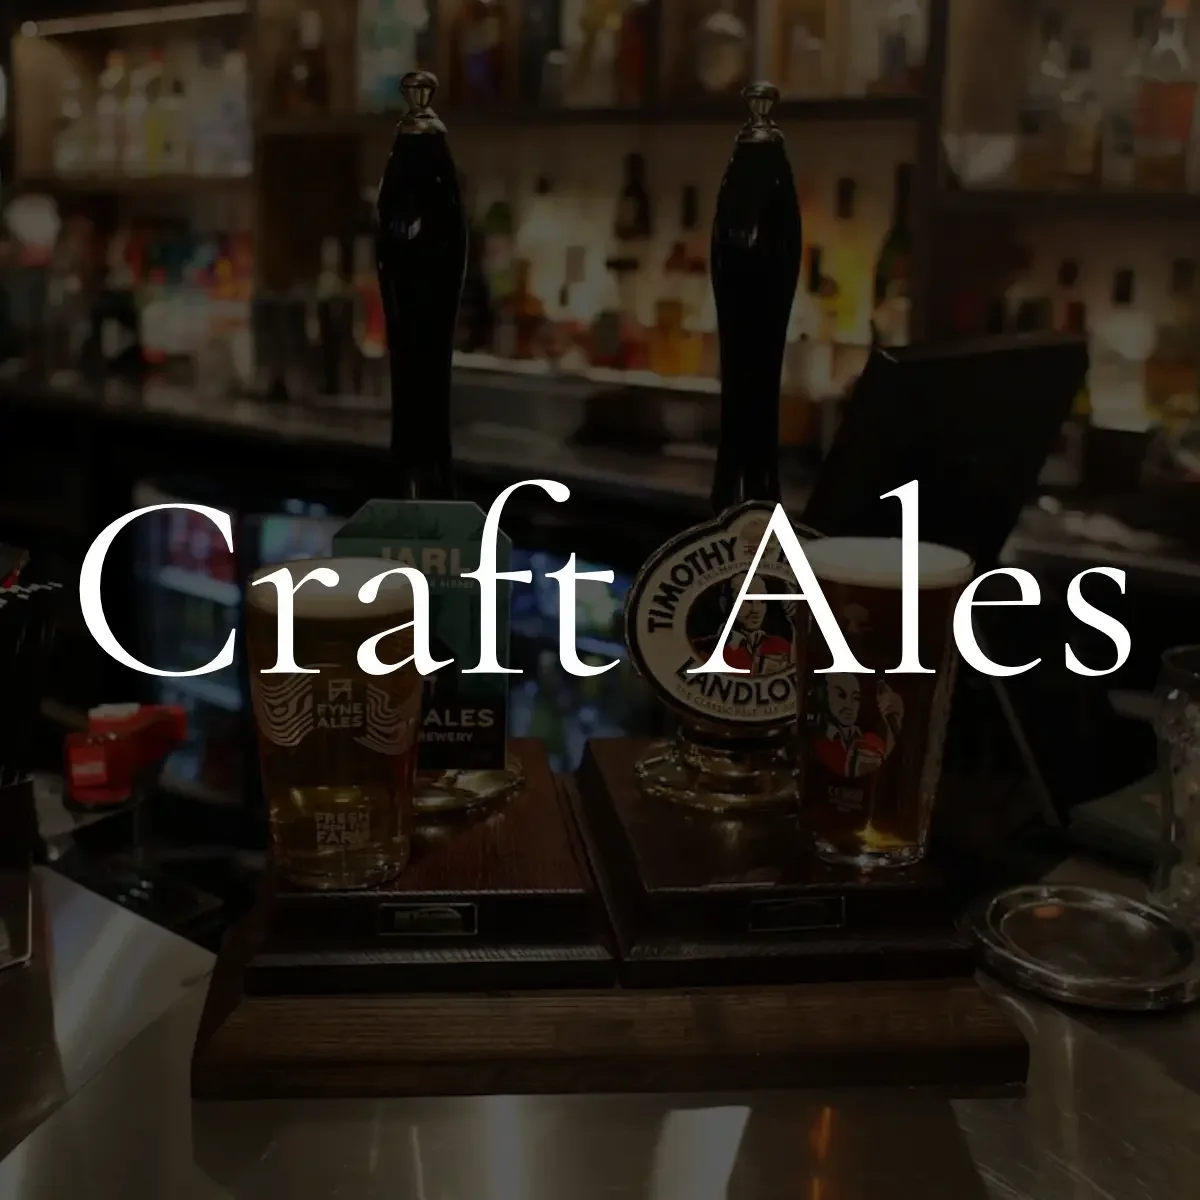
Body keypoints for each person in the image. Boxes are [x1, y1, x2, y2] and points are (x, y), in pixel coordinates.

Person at [812, 674, 904, 779]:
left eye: (855, 698)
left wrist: (896, 717)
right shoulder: (818, 744)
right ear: (824, 696)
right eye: (841, 695)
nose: (849, 705)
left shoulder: (872, 741)